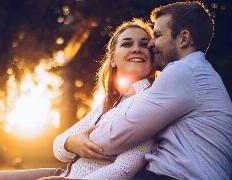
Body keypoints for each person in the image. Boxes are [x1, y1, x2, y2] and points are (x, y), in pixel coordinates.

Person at [0, 18, 156, 180]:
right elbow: (58, 148)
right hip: (63, 173)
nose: (137, 49)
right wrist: (71, 142)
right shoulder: (109, 103)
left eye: (145, 45)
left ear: (153, 57)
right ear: (112, 59)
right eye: (127, 43)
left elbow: (125, 169)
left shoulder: (150, 102)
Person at [71, 1, 232, 180]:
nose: (151, 44)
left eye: (157, 35)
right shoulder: (197, 72)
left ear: (184, 39)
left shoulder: (183, 71)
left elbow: (120, 133)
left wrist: (71, 143)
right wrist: (67, 142)